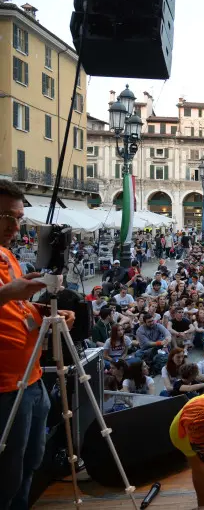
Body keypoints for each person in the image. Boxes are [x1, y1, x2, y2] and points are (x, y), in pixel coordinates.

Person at [0, 181, 76, 509]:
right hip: (4, 389)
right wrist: (7, 293)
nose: (14, 226)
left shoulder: (8, 257)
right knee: (6, 472)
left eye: (17, 218)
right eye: (5, 216)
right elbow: (9, 297)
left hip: (31, 378)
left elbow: (19, 308)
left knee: (31, 461)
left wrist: (48, 311)